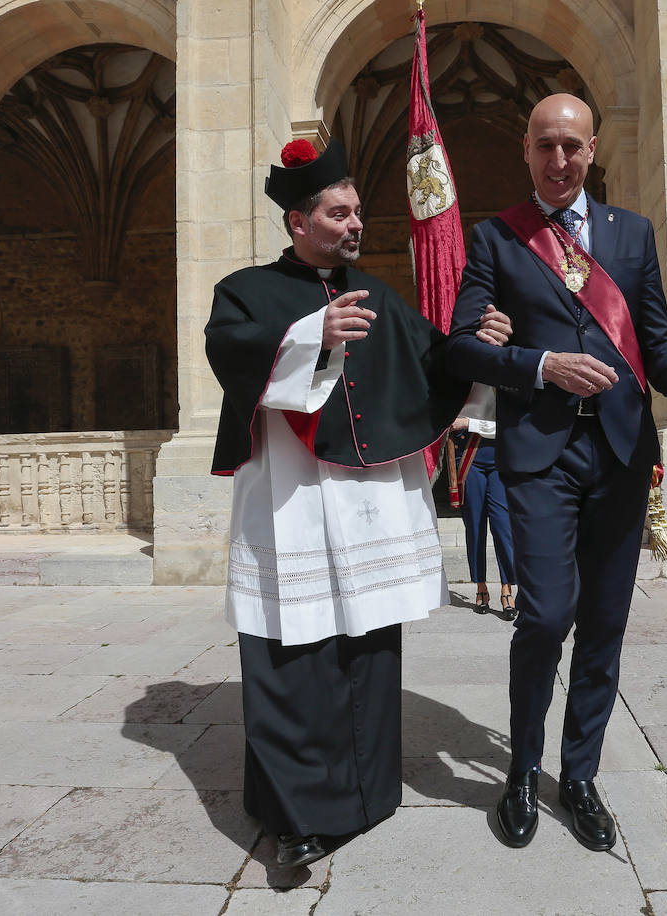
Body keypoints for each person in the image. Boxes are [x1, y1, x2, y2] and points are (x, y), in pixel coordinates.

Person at [204, 137, 507, 869]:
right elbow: (228, 350)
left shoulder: (376, 293)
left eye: (357, 212)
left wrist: (485, 345)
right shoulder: (245, 288)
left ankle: (369, 795)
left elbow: (435, 362)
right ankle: (295, 815)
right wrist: (311, 334)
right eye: (338, 213)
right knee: (292, 656)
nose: (354, 224)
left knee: (367, 648)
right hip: (294, 503)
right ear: (298, 222)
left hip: (365, 506)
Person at [447, 93, 667, 853]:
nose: (558, 161)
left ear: (592, 149)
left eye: (571, 146)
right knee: (545, 616)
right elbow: (461, 345)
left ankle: (583, 776)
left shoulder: (632, 234)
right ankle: (523, 772)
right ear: (525, 151)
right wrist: (538, 364)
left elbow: (656, 338)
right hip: (540, 455)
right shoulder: (499, 239)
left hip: (624, 455)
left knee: (604, 622)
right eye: (544, 147)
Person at [451, 388, 517, 620]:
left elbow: (515, 422)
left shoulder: (509, 363)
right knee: (475, 525)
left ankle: (507, 588)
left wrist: (469, 422)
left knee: (502, 525)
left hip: (501, 456)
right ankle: (481, 586)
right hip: (470, 454)